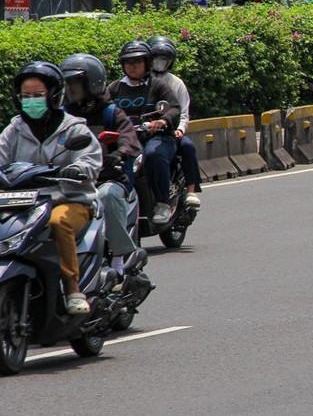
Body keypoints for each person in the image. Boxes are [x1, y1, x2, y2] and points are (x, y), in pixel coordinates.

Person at [0, 62, 102, 315]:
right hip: (22, 203)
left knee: (59, 223)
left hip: (69, 199)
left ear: (54, 95)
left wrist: (78, 169)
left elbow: (90, 158)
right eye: (26, 96)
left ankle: (72, 287)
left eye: (38, 95)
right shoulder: (13, 131)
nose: (31, 101)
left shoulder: (73, 128)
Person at [60, 54, 142, 276]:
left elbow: (130, 140)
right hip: (69, 182)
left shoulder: (111, 112)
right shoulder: (61, 116)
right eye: (66, 84)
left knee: (107, 196)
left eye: (74, 84)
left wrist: (119, 154)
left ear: (92, 83)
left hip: (107, 178)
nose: (70, 89)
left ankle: (119, 256)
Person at [107, 41, 181, 225]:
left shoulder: (157, 86)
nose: (132, 66)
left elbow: (174, 108)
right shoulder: (114, 88)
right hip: (126, 138)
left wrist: (163, 121)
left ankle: (162, 202)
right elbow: (101, 109)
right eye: (128, 62)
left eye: (137, 62)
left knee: (153, 155)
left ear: (147, 63)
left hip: (155, 137)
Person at [147, 36, 201, 209]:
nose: (159, 63)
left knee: (187, 147)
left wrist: (179, 129)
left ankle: (191, 191)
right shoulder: (137, 82)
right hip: (143, 131)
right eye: (156, 59)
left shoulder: (176, 83)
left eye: (164, 60)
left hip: (169, 132)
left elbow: (183, 111)